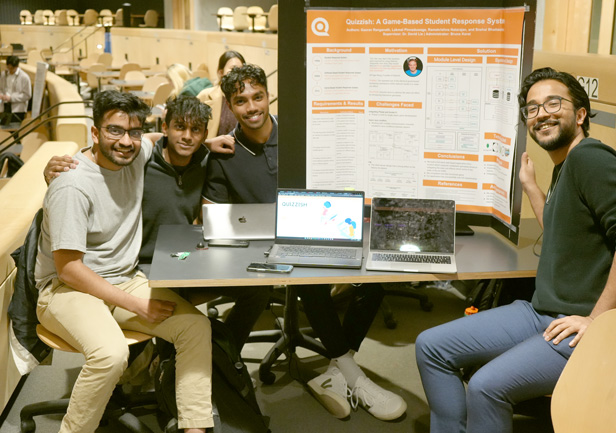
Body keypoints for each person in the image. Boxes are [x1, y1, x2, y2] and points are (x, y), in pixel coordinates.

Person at [415, 67, 616, 433]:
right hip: (541, 311)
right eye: (532, 108)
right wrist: (531, 187)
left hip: (579, 323)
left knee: (486, 387)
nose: (541, 113)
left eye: (553, 103)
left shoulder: (591, 158)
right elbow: (560, 228)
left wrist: (597, 320)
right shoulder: (567, 164)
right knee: (431, 346)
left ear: (581, 114)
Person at [202, 64, 407, 421]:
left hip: (322, 227)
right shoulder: (224, 153)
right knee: (312, 283)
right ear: (231, 107)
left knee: (376, 276)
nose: (252, 107)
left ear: (268, 95)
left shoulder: (303, 131)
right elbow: (214, 217)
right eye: (241, 101)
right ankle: (352, 374)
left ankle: (336, 368)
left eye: (258, 97)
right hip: (263, 249)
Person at [35, 91, 213, 433]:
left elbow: (161, 138)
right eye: (114, 131)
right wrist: (136, 305)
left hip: (123, 279)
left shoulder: (137, 153)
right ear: (95, 133)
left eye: (133, 132)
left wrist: (215, 141)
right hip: (65, 290)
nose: (126, 142)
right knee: (111, 354)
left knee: (195, 327)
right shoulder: (72, 185)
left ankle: (195, 427)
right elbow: (68, 270)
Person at [44, 94, 270, 352]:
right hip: (143, 265)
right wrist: (53, 170)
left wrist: (205, 143)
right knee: (174, 302)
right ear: (164, 128)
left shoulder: (207, 161)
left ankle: (225, 355)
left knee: (258, 288)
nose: (187, 136)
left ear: (204, 133)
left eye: (195, 130)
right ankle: (163, 366)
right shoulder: (141, 160)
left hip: (183, 257)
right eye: (179, 127)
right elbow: (102, 160)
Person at [197, 50, 246, 139]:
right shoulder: (205, 96)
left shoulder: (248, 98)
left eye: (241, 69)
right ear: (221, 72)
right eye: (233, 68)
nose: (237, 73)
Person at [0, 55, 32, 124]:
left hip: (17, 109)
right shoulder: (3, 74)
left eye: (12, 68)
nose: (10, 69)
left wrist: (11, 98)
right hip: (4, 107)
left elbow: (27, 95)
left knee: (14, 129)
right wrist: (1, 95)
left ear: (17, 66)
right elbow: (1, 89)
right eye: (8, 67)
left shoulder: (24, 77)